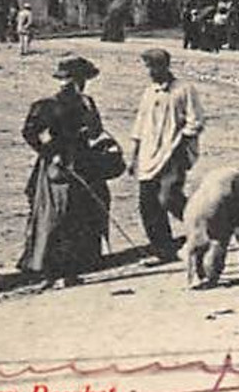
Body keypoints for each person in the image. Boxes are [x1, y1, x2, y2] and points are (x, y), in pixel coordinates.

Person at [18, 55, 111, 288]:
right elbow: (30, 132)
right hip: (57, 167)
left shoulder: (86, 102)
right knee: (58, 217)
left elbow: (94, 132)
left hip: (82, 163)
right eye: (70, 80)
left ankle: (74, 268)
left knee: (83, 214)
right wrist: (50, 152)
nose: (73, 84)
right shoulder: (48, 105)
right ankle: (51, 271)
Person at [127, 47, 204, 266]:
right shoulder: (149, 92)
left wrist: (182, 145)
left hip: (173, 154)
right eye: (148, 67)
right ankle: (163, 250)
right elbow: (140, 125)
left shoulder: (184, 89)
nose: (150, 71)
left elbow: (195, 120)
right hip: (148, 155)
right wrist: (134, 156)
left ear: (165, 66)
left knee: (169, 197)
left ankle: (202, 230)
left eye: (154, 66)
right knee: (147, 204)